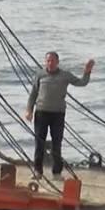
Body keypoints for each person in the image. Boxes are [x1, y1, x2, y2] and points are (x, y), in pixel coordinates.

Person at [24, 51, 94, 181]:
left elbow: (82, 82)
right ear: (45, 62)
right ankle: (37, 171)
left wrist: (87, 71)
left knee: (57, 143)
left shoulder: (65, 75)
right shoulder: (40, 74)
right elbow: (33, 93)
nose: (50, 63)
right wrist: (29, 110)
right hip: (41, 112)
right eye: (48, 61)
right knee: (39, 143)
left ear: (57, 62)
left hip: (58, 114)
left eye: (52, 61)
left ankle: (57, 172)